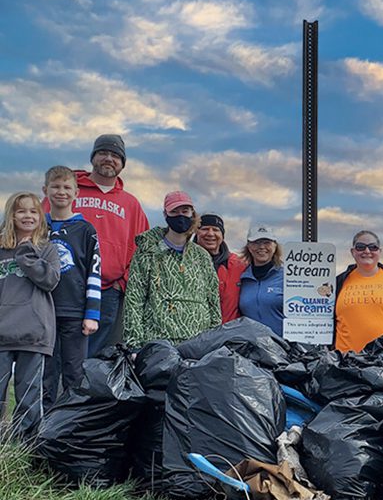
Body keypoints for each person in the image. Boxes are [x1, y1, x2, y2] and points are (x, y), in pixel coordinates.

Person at [55, 134, 148, 356]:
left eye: (116, 155)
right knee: (58, 351)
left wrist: (121, 283)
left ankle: (84, 392)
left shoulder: (130, 204)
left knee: (95, 356)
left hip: (107, 291)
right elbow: (39, 227)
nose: (109, 159)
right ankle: (56, 392)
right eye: (103, 153)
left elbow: (142, 249)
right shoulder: (67, 190)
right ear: (93, 157)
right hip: (64, 286)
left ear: (122, 163)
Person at [123, 191, 220, 349]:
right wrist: (134, 344)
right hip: (158, 342)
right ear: (165, 214)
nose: (180, 216)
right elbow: (134, 298)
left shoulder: (202, 256)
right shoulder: (147, 251)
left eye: (185, 211)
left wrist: (214, 340)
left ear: (192, 213)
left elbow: (213, 301)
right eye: (174, 211)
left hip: (197, 344)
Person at [0, 192, 60, 440]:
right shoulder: (2, 249)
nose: (27, 216)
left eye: (33, 211)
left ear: (41, 217)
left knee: (29, 396)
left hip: (34, 333)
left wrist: (27, 254)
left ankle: (24, 448)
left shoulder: (47, 250)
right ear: (11, 216)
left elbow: (51, 281)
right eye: (21, 211)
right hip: (2, 333)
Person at [42, 166, 101, 408]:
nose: (61, 192)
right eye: (55, 187)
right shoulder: (38, 228)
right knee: (45, 373)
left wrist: (92, 313)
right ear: (45, 190)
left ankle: (69, 427)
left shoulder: (86, 230)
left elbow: (94, 272)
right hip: (42, 312)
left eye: (67, 187)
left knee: (74, 374)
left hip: (75, 312)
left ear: (76, 193)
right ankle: (37, 429)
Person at [195, 213, 247, 323]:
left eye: (215, 230)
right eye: (204, 229)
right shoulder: (184, 263)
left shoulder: (240, 266)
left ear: (222, 235)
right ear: (196, 233)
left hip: (230, 334)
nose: (210, 234)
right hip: (195, 335)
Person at [239, 223, 285, 337]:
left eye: (267, 242)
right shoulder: (242, 278)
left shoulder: (288, 277)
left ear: (275, 246)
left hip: (285, 349)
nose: (262, 247)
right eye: (256, 242)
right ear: (249, 247)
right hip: (252, 349)